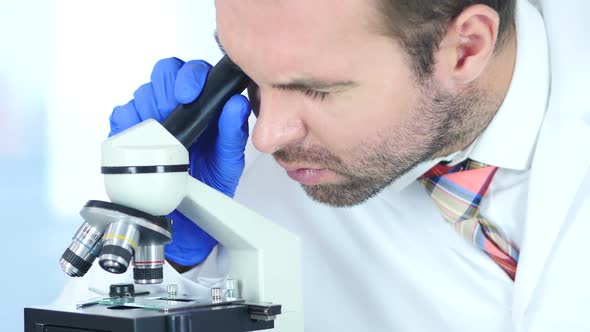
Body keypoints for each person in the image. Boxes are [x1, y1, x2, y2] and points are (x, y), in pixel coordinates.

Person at [55, 0, 590, 331]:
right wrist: (182, 264)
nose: (265, 136)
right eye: (245, 71)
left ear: (466, 48)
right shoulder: (249, 173)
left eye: (315, 88)